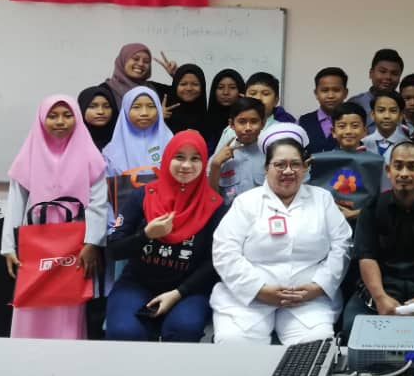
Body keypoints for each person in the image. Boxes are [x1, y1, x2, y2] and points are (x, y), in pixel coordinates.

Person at [210, 134, 352, 344]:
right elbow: (225, 250)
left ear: (305, 168)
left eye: (295, 164)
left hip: (307, 299)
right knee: (235, 342)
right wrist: (258, 289)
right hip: (248, 298)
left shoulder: (322, 199)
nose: (288, 171)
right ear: (266, 168)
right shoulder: (246, 202)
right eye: (280, 164)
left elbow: (343, 246)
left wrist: (318, 286)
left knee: (315, 343)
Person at [1, 95, 108, 339]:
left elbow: (98, 204)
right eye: (53, 116)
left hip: (74, 243)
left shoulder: (90, 156)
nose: (60, 121)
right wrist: (9, 246)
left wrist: (92, 243)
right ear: (41, 119)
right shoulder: (29, 154)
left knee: (68, 301)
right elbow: (16, 202)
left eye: (67, 115)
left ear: (77, 118)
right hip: (36, 240)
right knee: (31, 300)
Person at [105, 130, 226, 342]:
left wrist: (179, 293)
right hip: (138, 282)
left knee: (184, 329)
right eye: (179, 157)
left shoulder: (215, 206)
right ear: (167, 158)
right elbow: (114, 250)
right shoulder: (143, 195)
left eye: (195, 158)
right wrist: (146, 235)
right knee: (125, 332)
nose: (186, 165)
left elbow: (215, 262)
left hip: (189, 288)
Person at [342, 142, 414, 331]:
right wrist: (380, 298)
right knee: (352, 328)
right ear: (388, 171)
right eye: (398, 166)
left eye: (412, 167)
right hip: (380, 289)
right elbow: (366, 257)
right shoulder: (372, 209)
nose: (404, 173)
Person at [102, 85, 173, 175]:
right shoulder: (110, 152)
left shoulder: (172, 143)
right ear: (125, 111)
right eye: (136, 107)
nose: (144, 113)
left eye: (151, 106)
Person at [208, 97, 266, 204]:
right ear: (231, 124)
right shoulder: (218, 159)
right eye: (242, 122)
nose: (248, 128)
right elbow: (211, 201)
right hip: (229, 213)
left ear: (263, 123)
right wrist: (215, 166)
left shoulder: (270, 155)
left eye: (254, 121)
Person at [215, 72, 289, 149]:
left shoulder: (282, 130)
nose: (258, 98)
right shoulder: (231, 130)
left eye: (265, 94)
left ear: (276, 100)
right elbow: (218, 155)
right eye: (253, 93)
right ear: (244, 97)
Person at [297, 66, 348, 156]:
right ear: (316, 93)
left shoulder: (354, 123)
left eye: (336, 90)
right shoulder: (303, 122)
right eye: (325, 90)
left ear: (345, 93)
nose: (330, 96)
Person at [351, 49, 405, 132]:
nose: (388, 77)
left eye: (394, 73)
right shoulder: (356, 103)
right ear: (371, 73)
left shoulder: (405, 105)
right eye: (382, 71)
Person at [203, 68, 245, 153]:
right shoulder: (204, 121)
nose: (226, 92)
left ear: (240, 91)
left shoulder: (247, 122)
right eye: (220, 87)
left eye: (232, 88)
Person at [363, 90, 409, 158]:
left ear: (400, 116)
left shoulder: (408, 145)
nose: (387, 116)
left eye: (393, 111)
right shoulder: (362, 144)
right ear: (372, 115)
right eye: (381, 110)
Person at [165, 64, 207, 135]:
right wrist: (157, 118)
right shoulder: (164, 114)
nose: (189, 88)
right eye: (183, 84)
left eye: (195, 84)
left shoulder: (209, 119)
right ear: (175, 86)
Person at [77, 83, 118, 151]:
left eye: (106, 106)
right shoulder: (73, 140)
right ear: (81, 109)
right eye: (92, 106)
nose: (101, 112)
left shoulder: (121, 139)